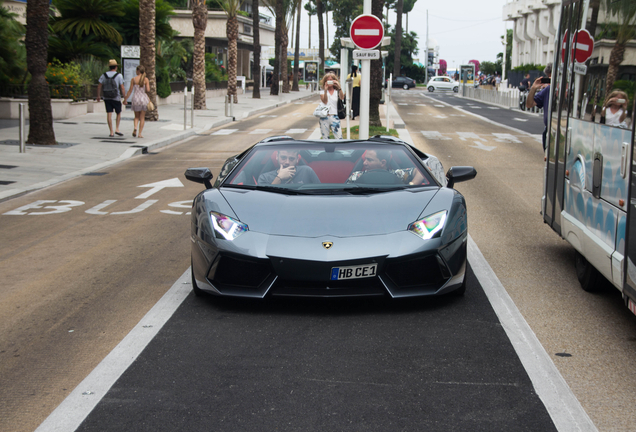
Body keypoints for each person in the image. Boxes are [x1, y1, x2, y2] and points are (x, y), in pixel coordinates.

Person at [346, 149, 426, 185]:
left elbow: (422, 171)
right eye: (365, 159)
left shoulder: (398, 174)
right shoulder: (356, 176)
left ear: (383, 162)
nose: (364, 163)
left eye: (369, 160)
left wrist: (411, 185)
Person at [526, 63, 552, 151]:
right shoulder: (548, 90)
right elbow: (529, 104)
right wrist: (533, 88)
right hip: (549, 131)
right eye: (549, 78)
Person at [96, 59, 126, 137]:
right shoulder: (119, 75)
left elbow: (99, 86)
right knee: (118, 113)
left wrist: (98, 96)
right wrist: (125, 98)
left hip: (106, 97)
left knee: (109, 113)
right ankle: (117, 129)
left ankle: (111, 131)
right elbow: (122, 87)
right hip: (116, 97)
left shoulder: (104, 75)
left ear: (109, 67)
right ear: (116, 67)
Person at [123, 65, 150, 138]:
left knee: (136, 117)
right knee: (142, 117)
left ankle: (135, 128)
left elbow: (130, 90)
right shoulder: (146, 79)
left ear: (138, 70)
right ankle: (140, 133)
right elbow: (148, 90)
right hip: (143, 99)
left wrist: (125, 99)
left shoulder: (133, 79)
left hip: (136, 98)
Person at [318, 73, 345, 139]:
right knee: (325, 138)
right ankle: (327, 149)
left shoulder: (337, 91)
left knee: (339, 137)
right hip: (325, 117)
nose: (329, 81)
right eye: (328, 80)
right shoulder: (322, 91)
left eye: (331, 80)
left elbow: (342, 97)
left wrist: (339, 87)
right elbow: (325, 101)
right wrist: (325, 90)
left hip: (334, 116)